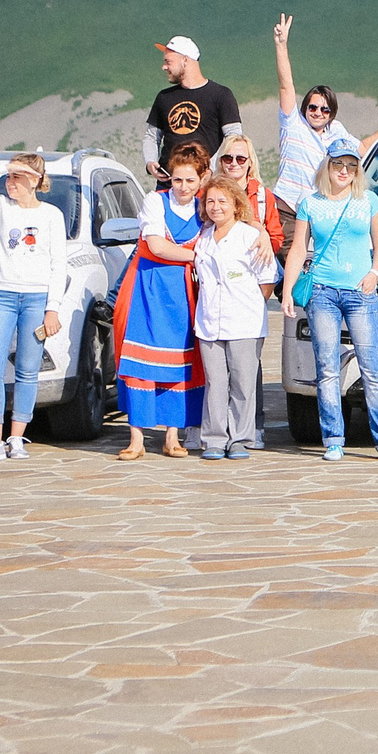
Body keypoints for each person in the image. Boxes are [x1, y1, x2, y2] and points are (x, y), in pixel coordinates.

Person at [281, 135, 378, 461]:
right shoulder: (310, 203)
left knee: (372, 368)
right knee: (327, 368)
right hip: (322, 292)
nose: (344, 170)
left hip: (360, 292)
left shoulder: (369, 201)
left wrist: (374, 273)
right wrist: (287, 291)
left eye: (351, 165)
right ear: (328, 166)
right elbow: (297, 249)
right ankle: (334, 438)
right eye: (339, 164)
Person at [0, 154, 69, 462]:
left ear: (34, 181)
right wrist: (6, 167)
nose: (10, 183)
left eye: (18, 178)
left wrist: (53, 309)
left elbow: (58, 265)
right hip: (0, 295)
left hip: (35, 298)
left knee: (27, 369)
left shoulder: (51, 215)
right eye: (9, 178)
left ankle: (17, 437)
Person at [109, 144, 208, 459]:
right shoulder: (155, 201)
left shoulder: (204, 208)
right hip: (146, 285)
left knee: (176, 363)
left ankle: (172, 436)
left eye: (190, 181)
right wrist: (198, 256)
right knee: (139, 361)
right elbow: (156, 245)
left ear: (201, 179)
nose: (183, 187)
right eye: (178, 180)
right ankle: (136, 437)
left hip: (181, 293)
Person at [272, 14, 378, 213]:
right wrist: (281, 45)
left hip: (320, 211)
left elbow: (362, 148)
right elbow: (286, 86)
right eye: (313, 107)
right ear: (305, 108)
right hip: (287, 212)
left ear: (332, 113)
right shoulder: (292, 123)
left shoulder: (336, 130)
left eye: (324, 109)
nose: (318, 113)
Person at [211, 131, 288, 441]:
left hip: (253, 281)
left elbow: (277, 236)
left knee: (247, 361)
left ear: (250, 163)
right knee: (216, 364)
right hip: (216, 284)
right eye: (228, 157)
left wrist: (264, 236)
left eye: (240, 158)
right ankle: (213, 427)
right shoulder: (210, 191)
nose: (233, 163)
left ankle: (252, 425)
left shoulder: (261, 196)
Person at [192, 178, 276, 460]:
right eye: (211, 201)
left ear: (236, 205)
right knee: (215, 382)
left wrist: (248, 305)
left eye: (222, 201)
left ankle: (240, 438)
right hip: (208, 322)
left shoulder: (250, 236)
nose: (216, 207)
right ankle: (215, 438)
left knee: (242, 382)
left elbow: (267, 281)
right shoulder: (202, 237)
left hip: (245, 322)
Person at [145, 36, 241, 189]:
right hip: (167, 185)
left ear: (185, 60)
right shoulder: (164, 97)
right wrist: (150, 162)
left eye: (168, 61)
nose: (164, 67)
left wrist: (211, 168)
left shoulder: (221, 95)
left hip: (206, 186)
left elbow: (234, 137)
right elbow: (151, 136)